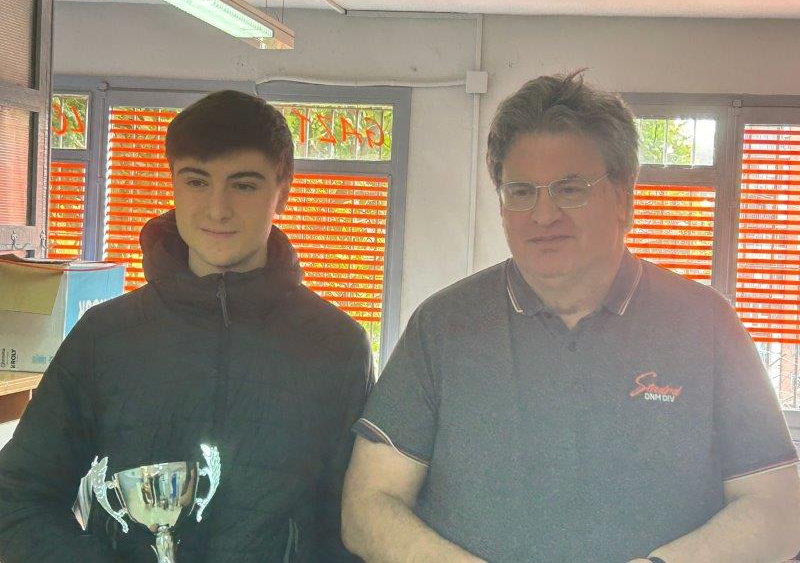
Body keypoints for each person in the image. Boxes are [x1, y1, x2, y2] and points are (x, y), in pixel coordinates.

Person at [341, 72, 800, 563]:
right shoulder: (442, 327)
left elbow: (779, 510)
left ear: (624, 198)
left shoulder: (706, 326)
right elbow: (368, 504)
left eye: (569, 189)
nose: (543, 215)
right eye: (521, 191)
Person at [0, 90, 372, 562]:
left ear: (283, 190)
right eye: (197, 181)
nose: (217, 209)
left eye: (244, 185)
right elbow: (17, 497)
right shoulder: (106, 337)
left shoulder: (337, 346)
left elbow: (355, 527)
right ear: (174, 183)